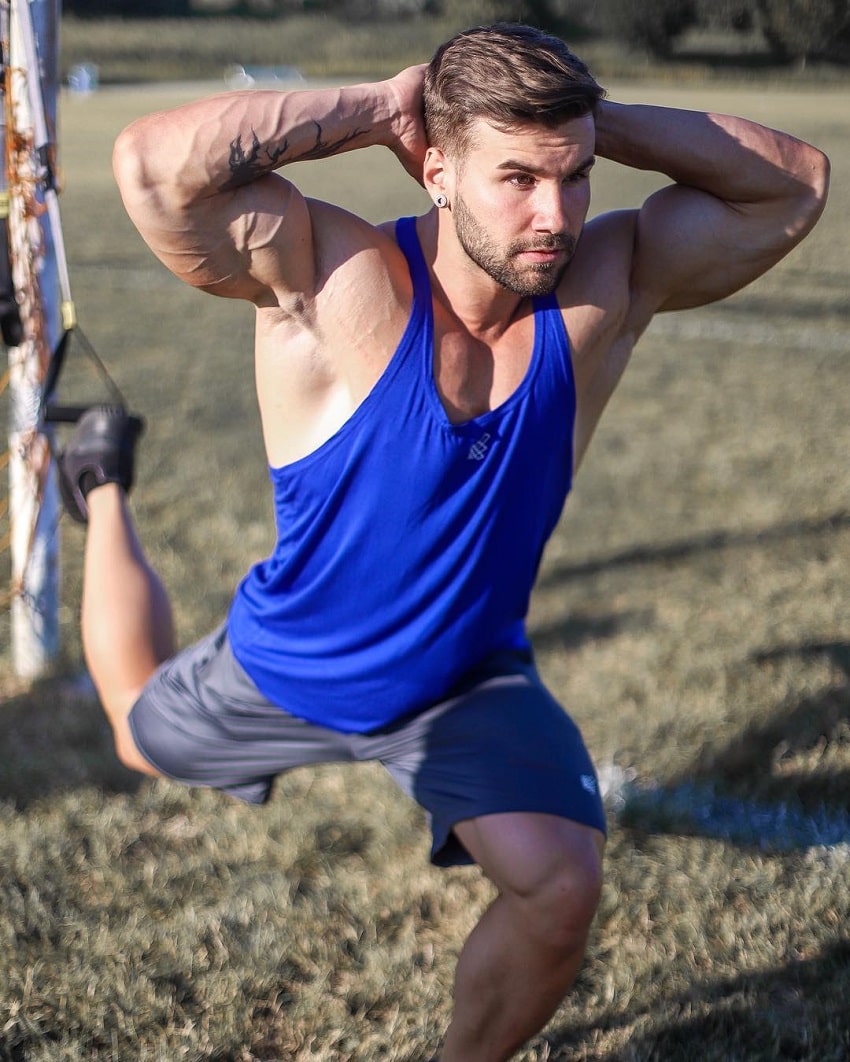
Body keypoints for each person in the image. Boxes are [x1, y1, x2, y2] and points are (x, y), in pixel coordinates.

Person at [57, 22, 829, 1061]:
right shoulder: (337, 279)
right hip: (286, 668)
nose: (551, 217)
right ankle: (102, 488)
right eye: (514, 176)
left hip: (466, 678)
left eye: (574, 176)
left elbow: (795, 186)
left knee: (561, 885)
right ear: (435, 168)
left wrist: (591, 124)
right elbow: (152, 168)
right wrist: (379, 104)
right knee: (133, 731)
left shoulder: (604, 290)